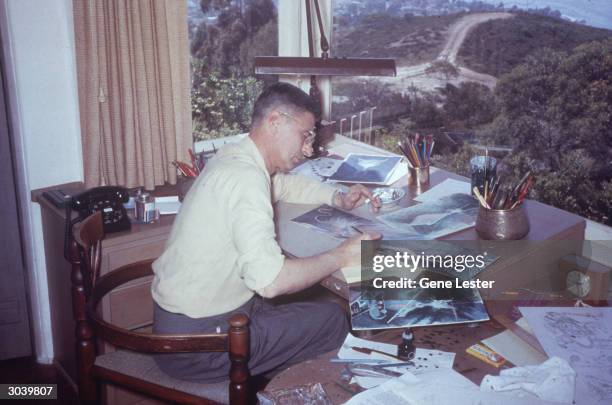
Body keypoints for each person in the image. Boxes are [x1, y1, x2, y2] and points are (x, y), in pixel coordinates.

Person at [151, 82, 380, 382]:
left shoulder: (235, 156)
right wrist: (342, 255)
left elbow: (283, 185)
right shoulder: (245, 178)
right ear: (275, 122)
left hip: (184, 322)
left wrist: (337, 196)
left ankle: (268, 385)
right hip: (198, 344)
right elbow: (270, 281)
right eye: (305, 135)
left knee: (309, 311)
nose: (309, 149)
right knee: (332, 320)